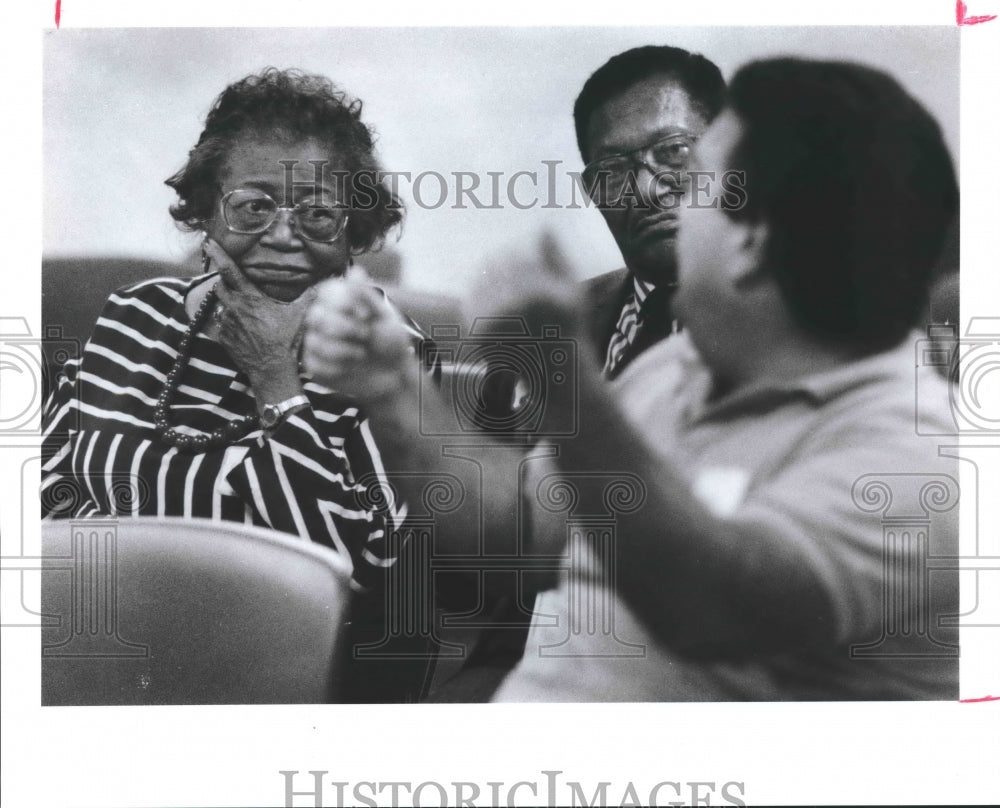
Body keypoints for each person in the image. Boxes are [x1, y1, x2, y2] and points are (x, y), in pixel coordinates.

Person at [304, 56, 960, 701]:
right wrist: (391, 388)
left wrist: (566, 382)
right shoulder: (673, 371)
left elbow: (715, 611)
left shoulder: (921, 457)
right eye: (616, 174)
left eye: (691, 172)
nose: (649, 194)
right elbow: (512, 536)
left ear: (750, 239)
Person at [40, 70, 422, 690]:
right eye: (253, 206)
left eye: (318, 213)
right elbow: (42, 492)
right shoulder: (137, 316)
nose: (281, 235)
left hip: (260, 675)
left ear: (353, 228)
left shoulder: (382, 355)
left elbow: (356, 572)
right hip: (84, 649)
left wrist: (273, 374)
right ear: (206, 213)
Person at [575, 45, 726, 378]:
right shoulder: (555, 323)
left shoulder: (813, 321)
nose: (645, 189)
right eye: (612, 170)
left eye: (674, 150)